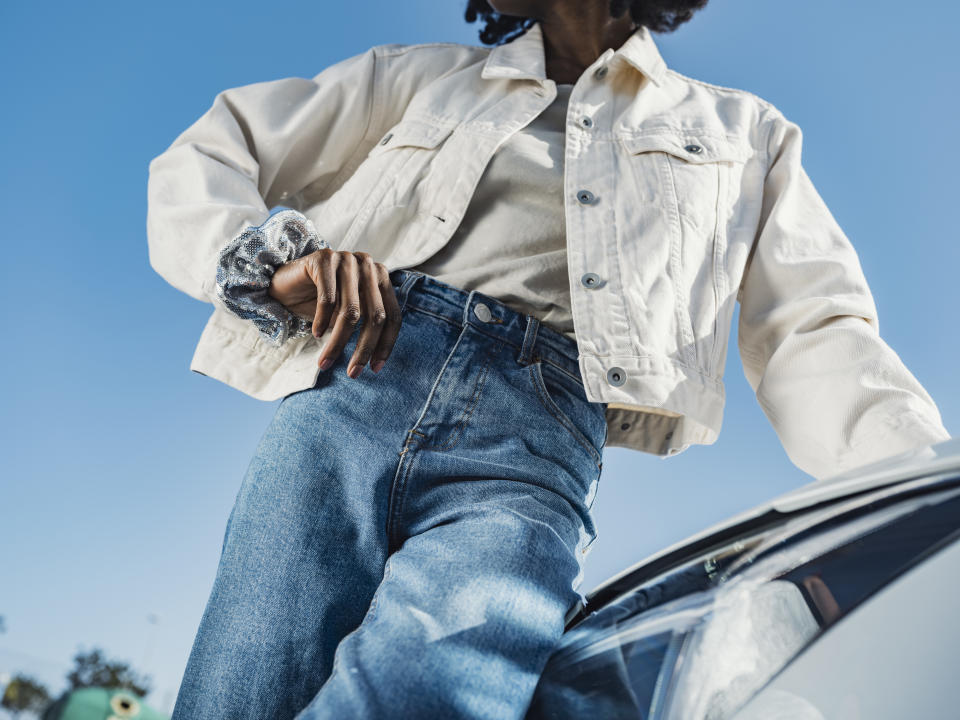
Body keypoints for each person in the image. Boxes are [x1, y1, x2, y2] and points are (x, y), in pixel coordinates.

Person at [145, 1, 952, 718]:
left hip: (534, 443)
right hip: (352, 391)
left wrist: (924, 487)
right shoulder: (420, 79)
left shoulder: (746, 134)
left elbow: (814, 328)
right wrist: (267, 258)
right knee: (240, 696)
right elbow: (216, 149)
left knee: (435, 690)